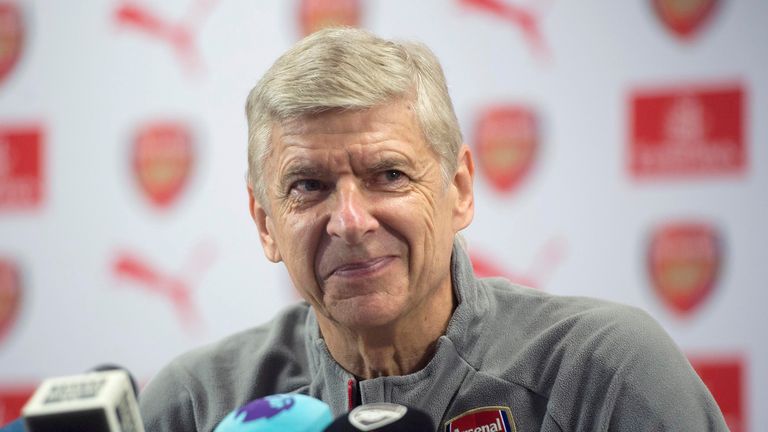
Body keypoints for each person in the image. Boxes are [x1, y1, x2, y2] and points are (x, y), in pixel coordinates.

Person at [139, 27, 728, 431]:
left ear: (460, 190)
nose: (349, 220)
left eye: (389, 175)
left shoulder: (604, 373)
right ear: (265, 224)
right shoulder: (195, 404)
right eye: (308, 186)